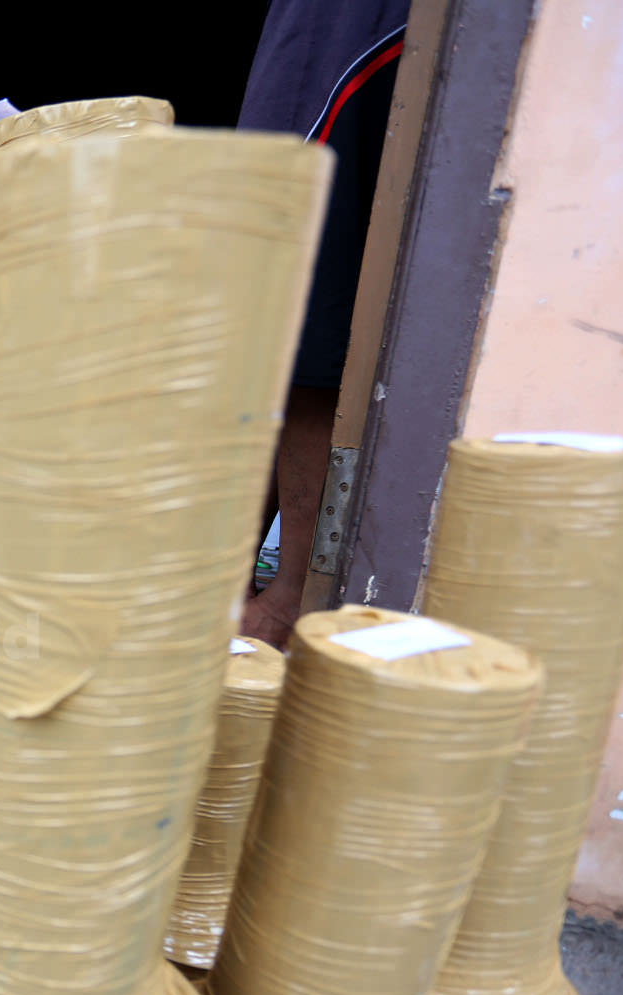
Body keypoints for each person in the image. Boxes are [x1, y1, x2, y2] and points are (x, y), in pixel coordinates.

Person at [237, 0, 408, 647]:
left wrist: (294, 591)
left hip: (369, 31)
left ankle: (292, 596)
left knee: (308, 290)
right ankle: (235, 576)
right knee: (276, 294)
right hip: (334, 28)